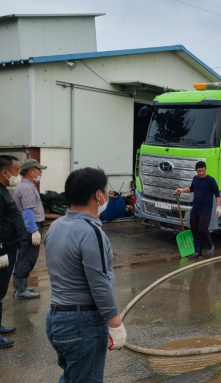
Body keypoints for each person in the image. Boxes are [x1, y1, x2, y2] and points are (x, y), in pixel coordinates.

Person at [44, 167, 126, 381]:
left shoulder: (56, 226)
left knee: (72, 377)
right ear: (98, 195)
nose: (108, 196)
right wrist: (115, 324)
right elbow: (99, 283)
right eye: (106, 191)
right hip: (82, 325)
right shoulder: (91, 231)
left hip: (57, 319)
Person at [12, 159, 47, 299]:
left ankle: (20, 287)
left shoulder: (23, 186)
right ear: (31, 172)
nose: (41, 172)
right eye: (39, 170)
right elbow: (28, 212)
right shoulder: (27, 189)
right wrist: (33, 230)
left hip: (26, 226)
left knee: (22, 256)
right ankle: (21, 291)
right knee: (28, 257)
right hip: (30, 227)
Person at [175, 161, 221, 259]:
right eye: (199, 171)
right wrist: (181, 190)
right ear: (196, 171)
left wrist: (218, 206)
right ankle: (198, 252)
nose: (201, 173)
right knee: (194, 230)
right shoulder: (195, 179)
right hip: (195, 208)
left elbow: (217, 194)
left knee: (202, 228)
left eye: (203, 171)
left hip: (206, 209)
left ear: (206, 169)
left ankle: (210, 245)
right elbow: (191, 188)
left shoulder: (210, 180)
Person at [0, 155, 23, 349]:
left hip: (10, 247)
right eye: (16, 172)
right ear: (4, 173)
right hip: (3, 250)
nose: (17, 175)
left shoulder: (4, 190)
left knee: (1, 290)